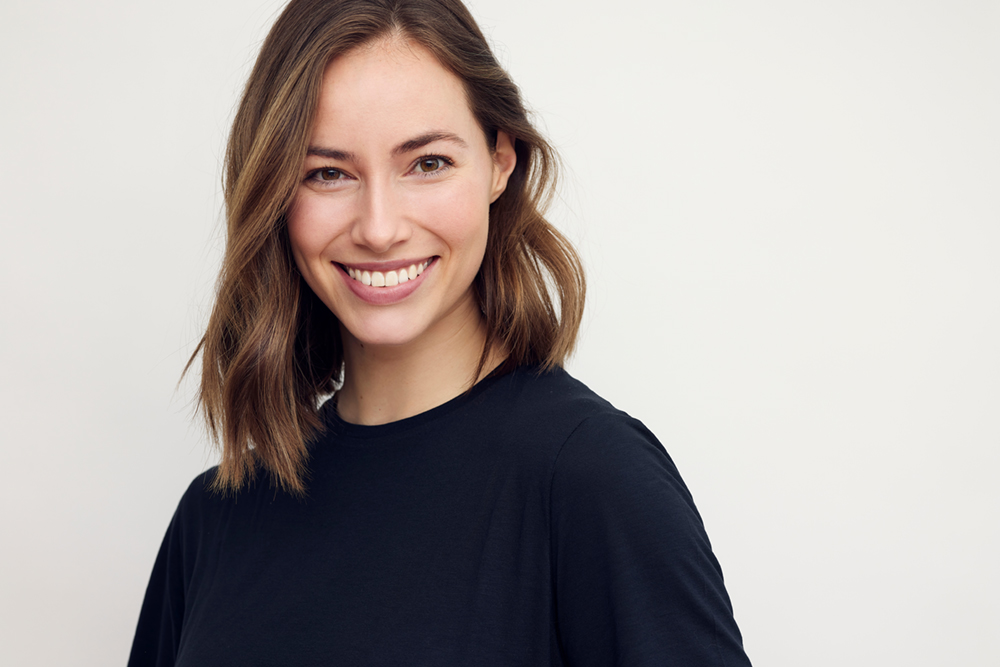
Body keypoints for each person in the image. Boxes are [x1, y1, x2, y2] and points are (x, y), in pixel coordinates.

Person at [128, 0, 752, 665]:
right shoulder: (216, 516)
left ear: (500, 161)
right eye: (327, 173)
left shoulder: (592, 483)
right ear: (276, 193)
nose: (378, 226)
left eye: (426, 163)